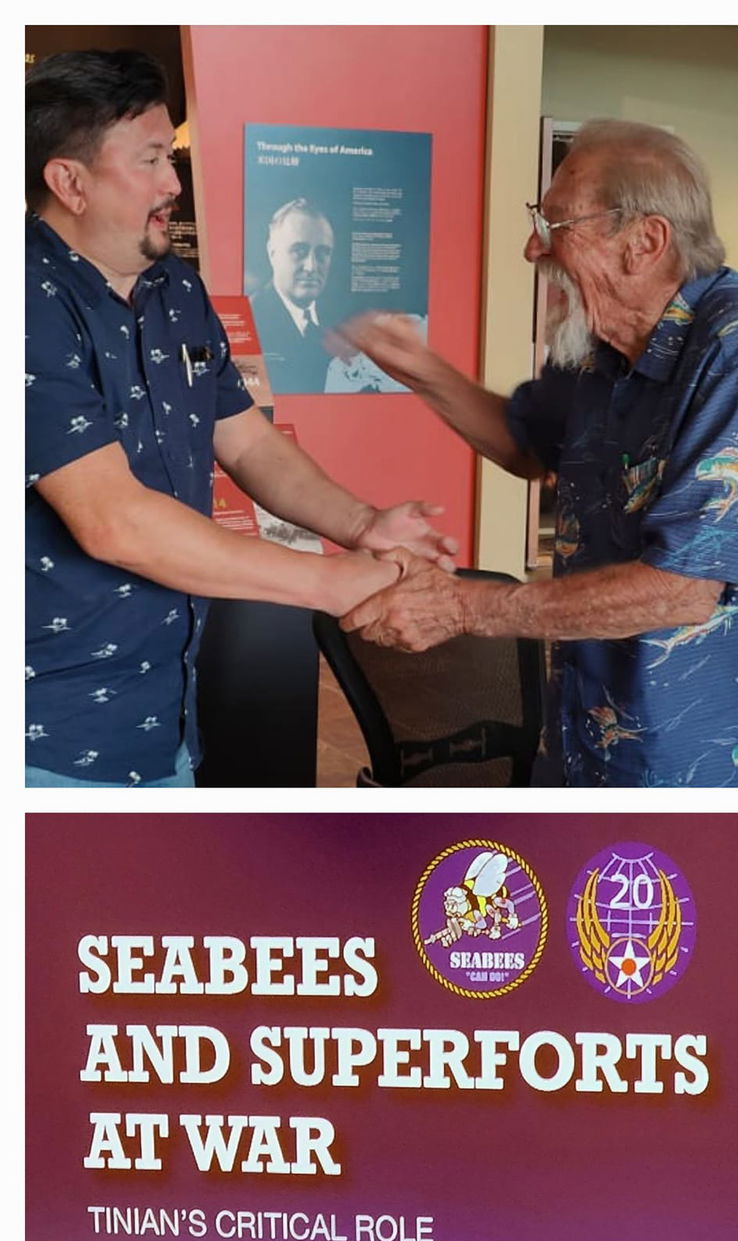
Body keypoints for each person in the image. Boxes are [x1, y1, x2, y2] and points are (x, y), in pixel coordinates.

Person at [25, 49, 452, 787]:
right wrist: (333, 585)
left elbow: (248, 441)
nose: (173, 182)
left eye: (170, 155)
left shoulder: (176, 290)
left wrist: (362, 526)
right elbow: (113, 521)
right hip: (47, 736)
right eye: (151, 159)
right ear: (70, 182)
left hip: (167, 714)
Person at [332, 118, 738, 788]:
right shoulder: (598, 343)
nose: (532, 248)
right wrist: (419, 370)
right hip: (580, 727)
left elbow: (683, 588)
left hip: (691, 760)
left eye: (557, 225)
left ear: (644, 242)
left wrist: (463, 607)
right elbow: (528, 445)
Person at [251, 197, 336, 394]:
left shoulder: (338, 322)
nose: (311, 267)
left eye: (322, 253)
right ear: (272, 253)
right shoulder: (252, 317)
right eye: (299, 251)